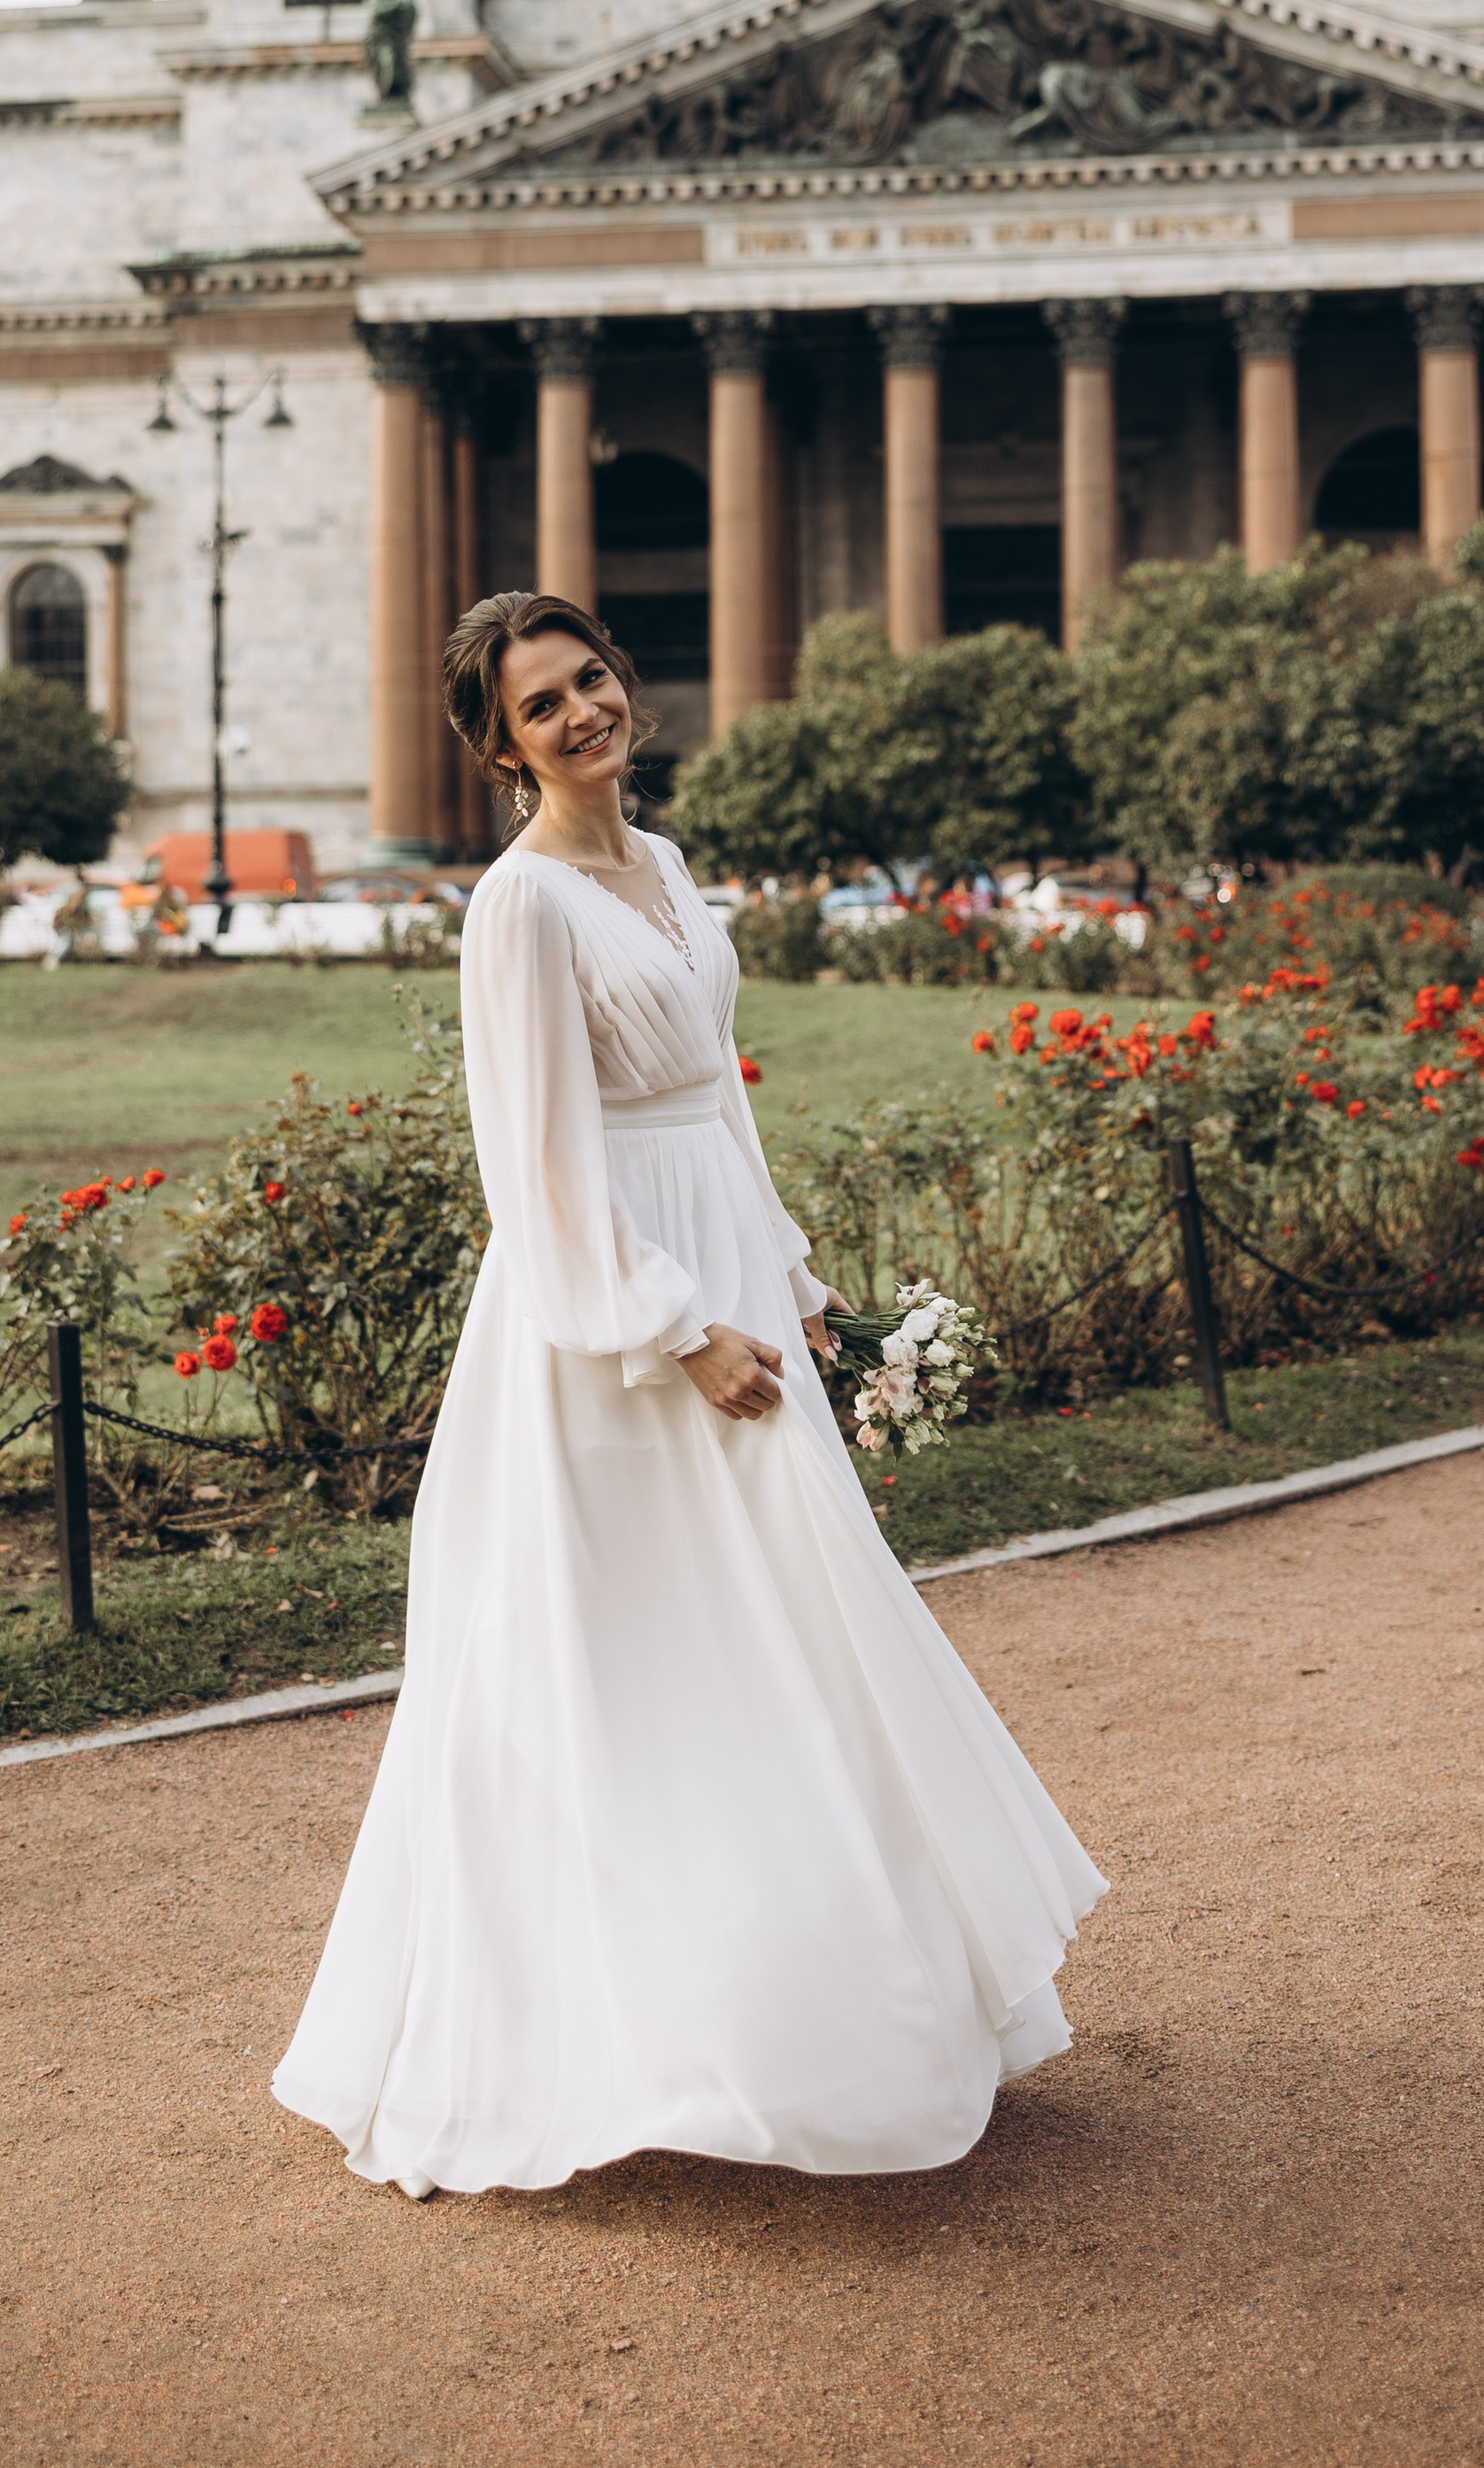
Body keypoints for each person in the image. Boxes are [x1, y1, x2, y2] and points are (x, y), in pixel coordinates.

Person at [272, 591, 1106, 2196]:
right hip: (612, 1320)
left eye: (589, 679)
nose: (581, 712)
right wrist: (675, 1329)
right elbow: (535, 1160)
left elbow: (717, 1097)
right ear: (500, 748)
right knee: (638, 1652)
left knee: (797, 1623)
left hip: (727, 1265)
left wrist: (789, 1277)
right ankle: (621, 2042)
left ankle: (852, 2008)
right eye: (540, 705)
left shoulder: (662, 865)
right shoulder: (517, 906)